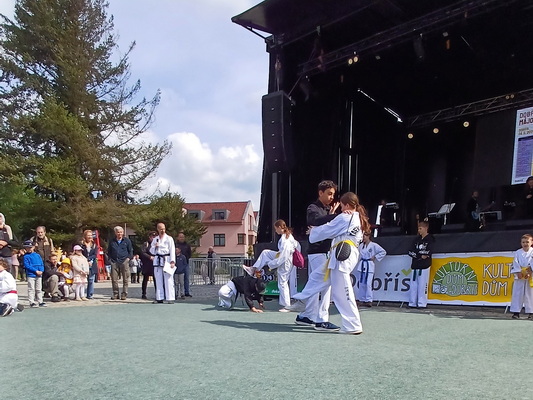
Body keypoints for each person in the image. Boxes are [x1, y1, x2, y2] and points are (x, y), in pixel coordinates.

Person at [304, 192, 369, 334]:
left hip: (343, 255)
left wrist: (313, 231)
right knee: (322, 279)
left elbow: (328, 229)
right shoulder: (357, 217)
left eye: (342, 205)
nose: (342, 209)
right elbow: (333, 228)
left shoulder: (346, 217)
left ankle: (353, 325)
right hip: (347, 253)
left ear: (346, 205)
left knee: (342, 292)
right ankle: (303, 300)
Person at [293, 180, 341, 330]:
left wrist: (332, 215)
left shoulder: (327, 210)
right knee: (325, 284)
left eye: (333, 194)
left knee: (317, 284)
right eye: (329, 193)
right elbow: (315, 220)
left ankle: (307, 316)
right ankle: (321, 320)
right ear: (320, 193)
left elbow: (322, 224)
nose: (332, 197)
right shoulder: (313, 208)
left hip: (323, 252)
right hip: (318, 252)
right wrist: (336, 217)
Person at [245, 219, 299, 312]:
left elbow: (284, 255)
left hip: (285, 261)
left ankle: (287, 306)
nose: (275, 231)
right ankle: (254, 269)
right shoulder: (286, 236)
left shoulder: (286, 239)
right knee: (265, 253)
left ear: (279, 227)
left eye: (276, 228)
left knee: (282, 282)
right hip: (282, 257)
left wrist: (272, 264)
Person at [407, 220, 434, 309]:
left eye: (420, 228)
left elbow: (428, 252)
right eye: (418, 228)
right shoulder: (416, 239)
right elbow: (410, 251)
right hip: (415, 265)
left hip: (424, 266)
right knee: (413, 285)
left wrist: (419, 254)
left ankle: (422, 303)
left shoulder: (430, 239)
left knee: (422, 285)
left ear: (426, 228)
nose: (419, 230)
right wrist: (419, 255)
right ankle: (412, 303)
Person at [355, 232, 387, 307]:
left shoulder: (374, 245)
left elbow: (383, 252)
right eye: (362, 236)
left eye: (365, 236)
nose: (363, 238)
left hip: (369, 265)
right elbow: (357, 255)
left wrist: (375, 257)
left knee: (368, 284)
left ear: (368, 236)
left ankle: (369, 300)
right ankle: (362, 299)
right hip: (362, 265)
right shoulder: (361, 246)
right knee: (361, 283)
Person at [150, 223, 176, 304]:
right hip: (158, 260)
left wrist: (172, 261)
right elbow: (151, 251)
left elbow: (172, 250)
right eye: (161, 229)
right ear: (158, 229)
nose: (163, 230)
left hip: (167, 260)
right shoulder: (155, 239)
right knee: (158, 280)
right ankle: (159, 298)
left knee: (168, 280)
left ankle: (170, 298)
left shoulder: (169, 238)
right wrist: (155, 246)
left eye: (164, 229)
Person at [509, 234, 533, 319]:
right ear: (521, 243)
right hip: (520, 275)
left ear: (531, 242)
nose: (525, 244)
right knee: (517, 293)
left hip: (531, 275)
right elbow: (515, 262)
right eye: (523, 242)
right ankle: (516, 312)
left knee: (530, 294)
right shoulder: (518, 252)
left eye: (527, 242)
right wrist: (518, 272)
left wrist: (530, 271)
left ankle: (531, 312)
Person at [107, 226, 133, 300]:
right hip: (114, 261)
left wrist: (128, 259)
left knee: (125, 279)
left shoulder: (127, 241)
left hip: (124, 261)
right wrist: (110, 260)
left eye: (121, 232)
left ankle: (124, 294)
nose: (119, 234)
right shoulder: (112, 241)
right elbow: (109, 251)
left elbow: (130, 251)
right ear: (115, 233)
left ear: (123, 232)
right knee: (114, 279)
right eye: (118, 232)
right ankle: (116, 294)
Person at [23, 240, 46, 308]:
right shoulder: (26, 256)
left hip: (39, 275)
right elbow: (27, 266)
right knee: (31, 289)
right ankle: (32, 302)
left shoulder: (37, 255)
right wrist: (35, 271)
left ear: (33, 247)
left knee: (39, 289)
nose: (29, 249)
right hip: (31, 275)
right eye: (27, 248)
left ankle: (40, 301)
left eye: (30, 247)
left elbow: (41, 264)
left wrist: (41, 270)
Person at [80, 229, 98, 299]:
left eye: (91, 235)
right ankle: (81, 294)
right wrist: (86, 260)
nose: (90, 237)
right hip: (83, 264)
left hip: (92, 264)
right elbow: (80, 254)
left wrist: (90, 260)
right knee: (82, 280)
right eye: (88, 235)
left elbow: (95, 254)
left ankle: (90, 295)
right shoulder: (82, 245)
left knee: (91, 280)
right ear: (85, 236)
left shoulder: (94, 245)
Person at [139, 232, 156, 300]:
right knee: (145, 279)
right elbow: (143, 252)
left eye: (155, 237)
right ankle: (144, 293)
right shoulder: (146, 244)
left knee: (156, 279)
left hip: (154, 264)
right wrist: (149, 257)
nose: (153, 238)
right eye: (152, 236)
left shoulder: (157, 244)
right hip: (147, 263)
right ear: (149, 237)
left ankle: (158, 293)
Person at [175, 232, 192, 297]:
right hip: (177, 264)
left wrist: (186, 259)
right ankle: (176, 293)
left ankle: (186, 292)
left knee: (186, 278)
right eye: (180, 237)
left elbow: (189, 253)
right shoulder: (175, 245)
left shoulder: (187, 245)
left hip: (185, 264)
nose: (182, 238)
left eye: (183, 237)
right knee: (176, 280)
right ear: (178, 238)